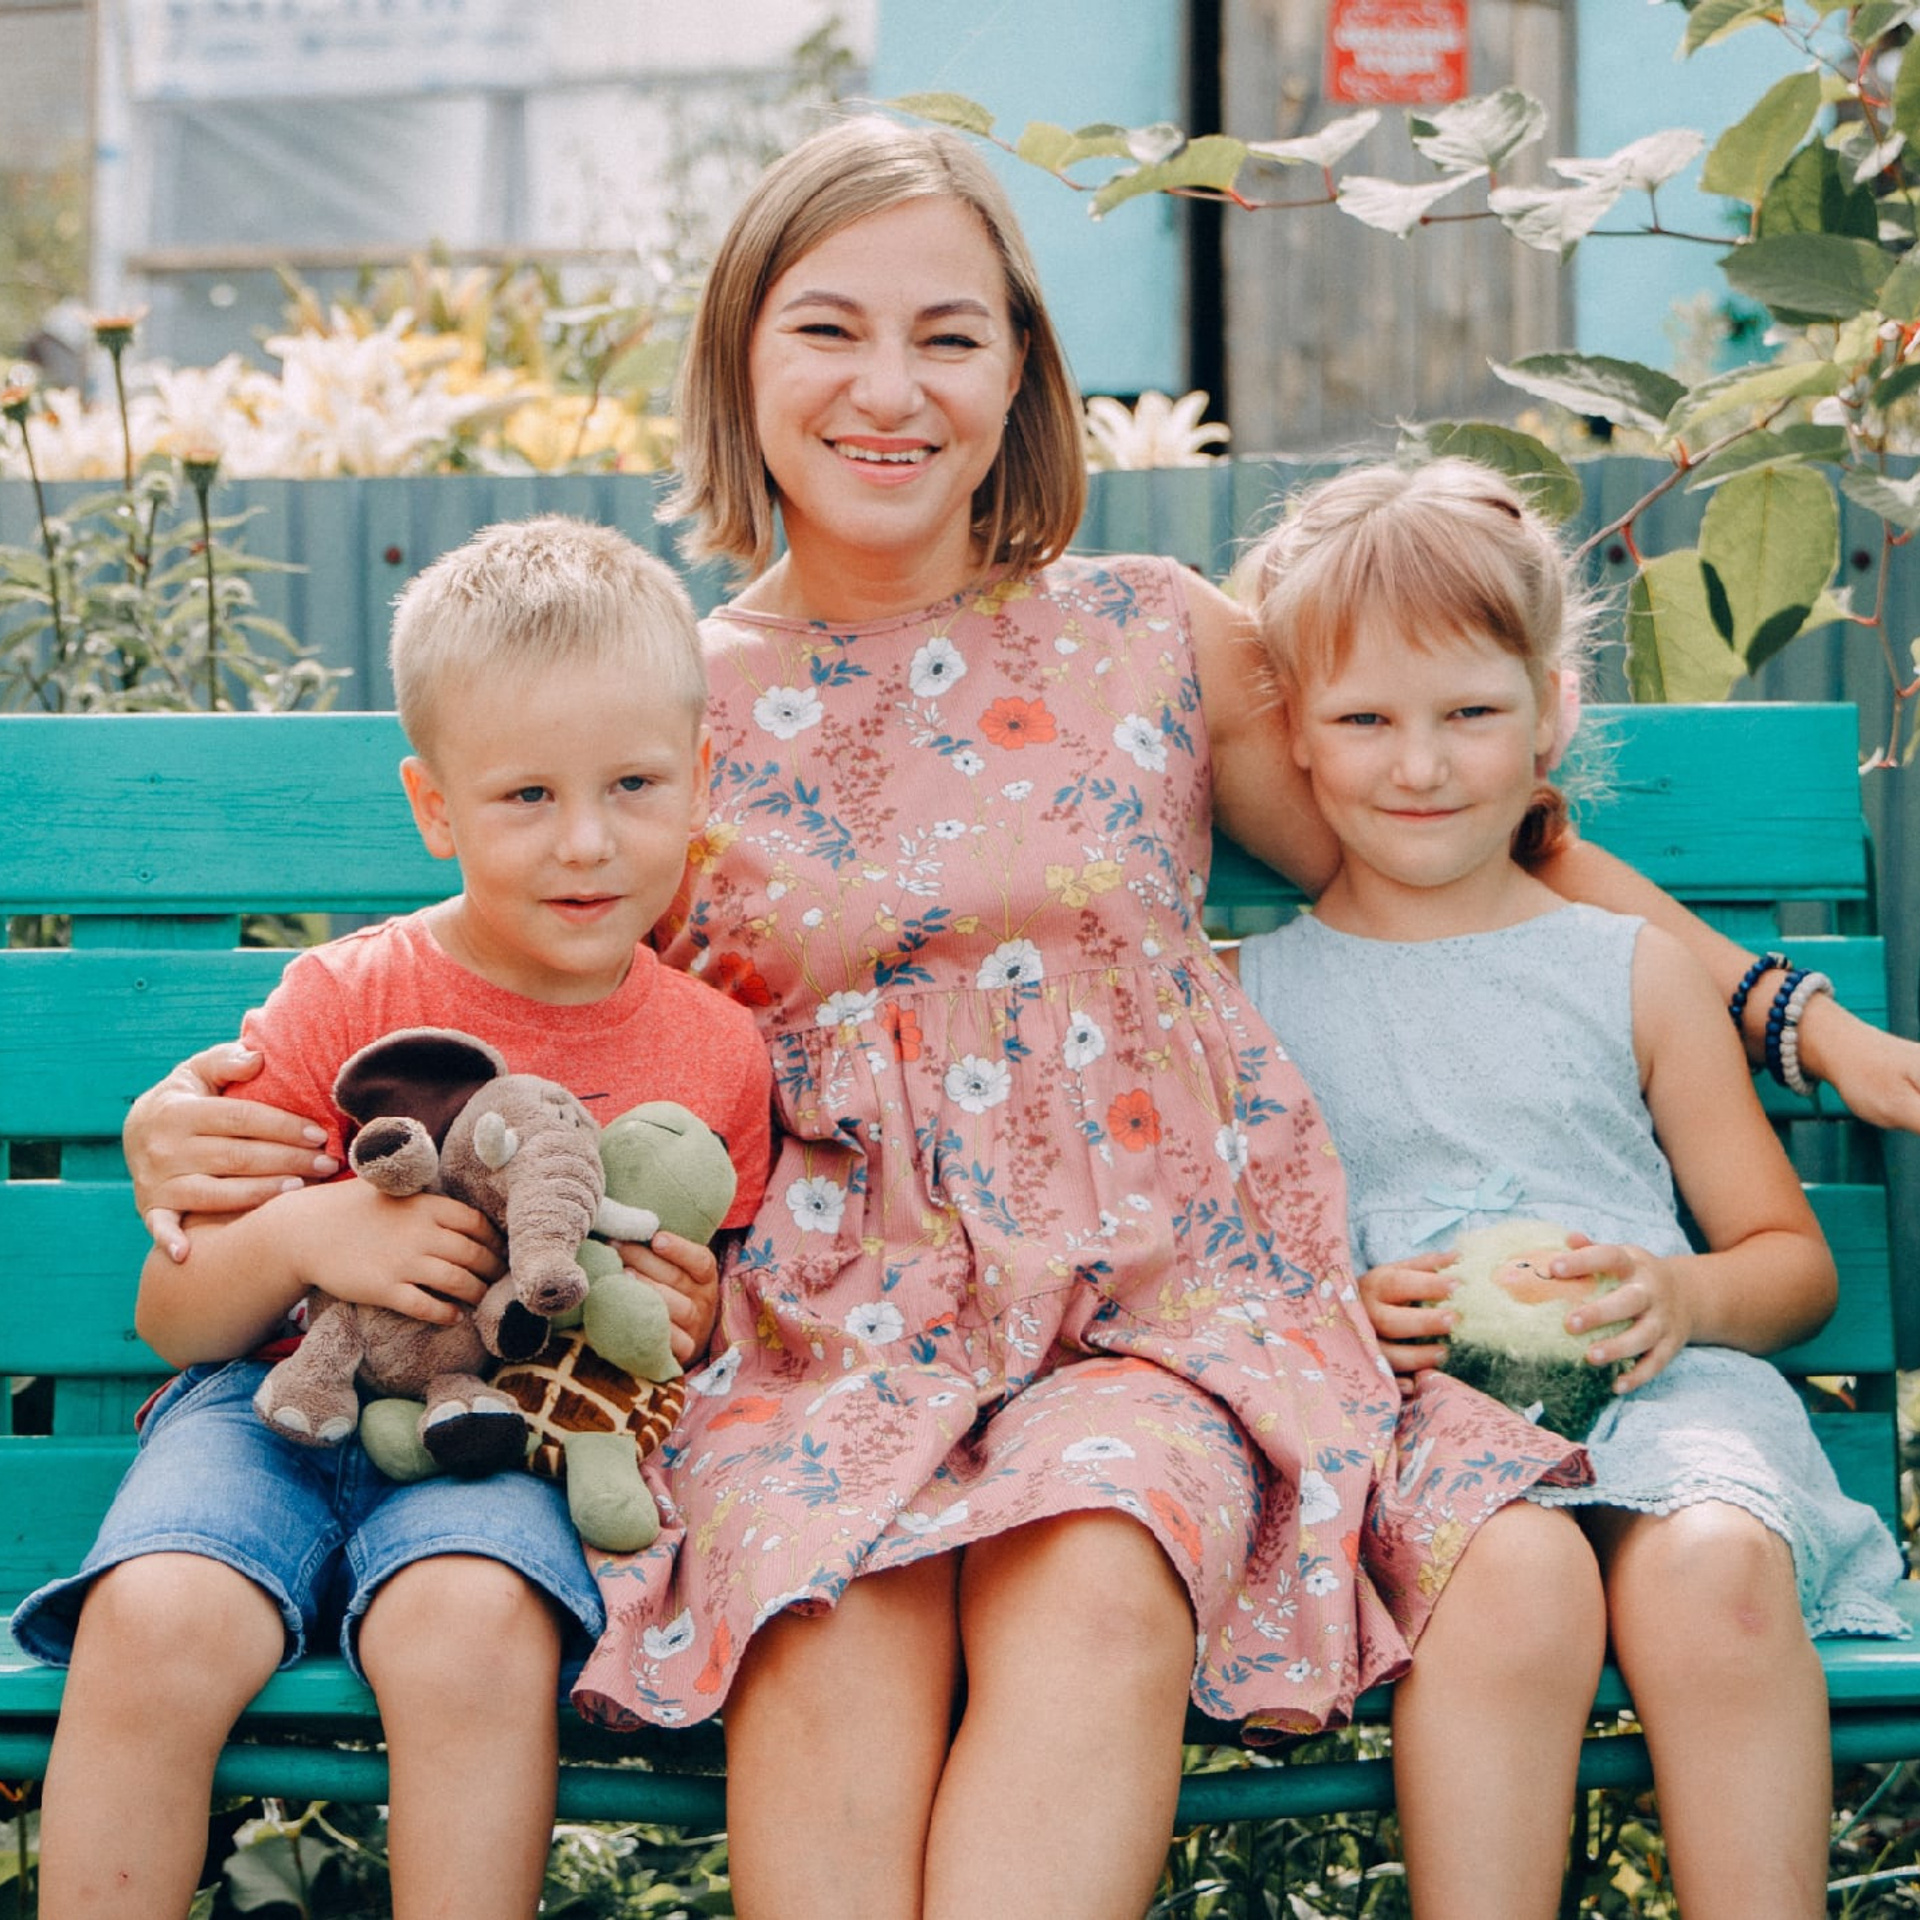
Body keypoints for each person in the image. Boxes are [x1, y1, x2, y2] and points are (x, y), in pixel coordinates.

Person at [114, 119, 1920, 1920]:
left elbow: (1465, 849)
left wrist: (1798, 1019)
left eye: (951, 335)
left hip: (1148, 1307)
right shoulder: (675, 690)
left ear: (1023, 372)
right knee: (836, 1616)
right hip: (812, 1319)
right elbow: (498, 955)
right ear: (741, 354)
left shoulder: (1155, 635)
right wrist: (196, 1117)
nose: (889, 388)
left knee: (1102, 1565)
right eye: (828, 329)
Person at [14, 516, 774, 1920]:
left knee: (472, 1631)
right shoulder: (344, 1000)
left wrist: (689, 1312)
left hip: (506, 1454)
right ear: (434, 808)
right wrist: (312, 1239)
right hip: (269, 1412)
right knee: (156, 1618)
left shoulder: (715, 1054)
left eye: (632, 785)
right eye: (526, 797)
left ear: (700, 781)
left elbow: (699, 1318)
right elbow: (169, 1313)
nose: (588, 841)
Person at [1229, 458, 1909, 1920]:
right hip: (1420, 1424)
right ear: (1291, 735)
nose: (1421, 766)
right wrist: (1346, 1314)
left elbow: (1791, 1266)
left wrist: (1680, 1296)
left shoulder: (1634, 972)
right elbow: (1237, 1288)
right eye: (1365, 720)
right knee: (1513, 1583)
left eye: (1471, 712)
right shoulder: (1258, 997)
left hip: (1670, 1404)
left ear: (1551, 712)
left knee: (1719, 1579)